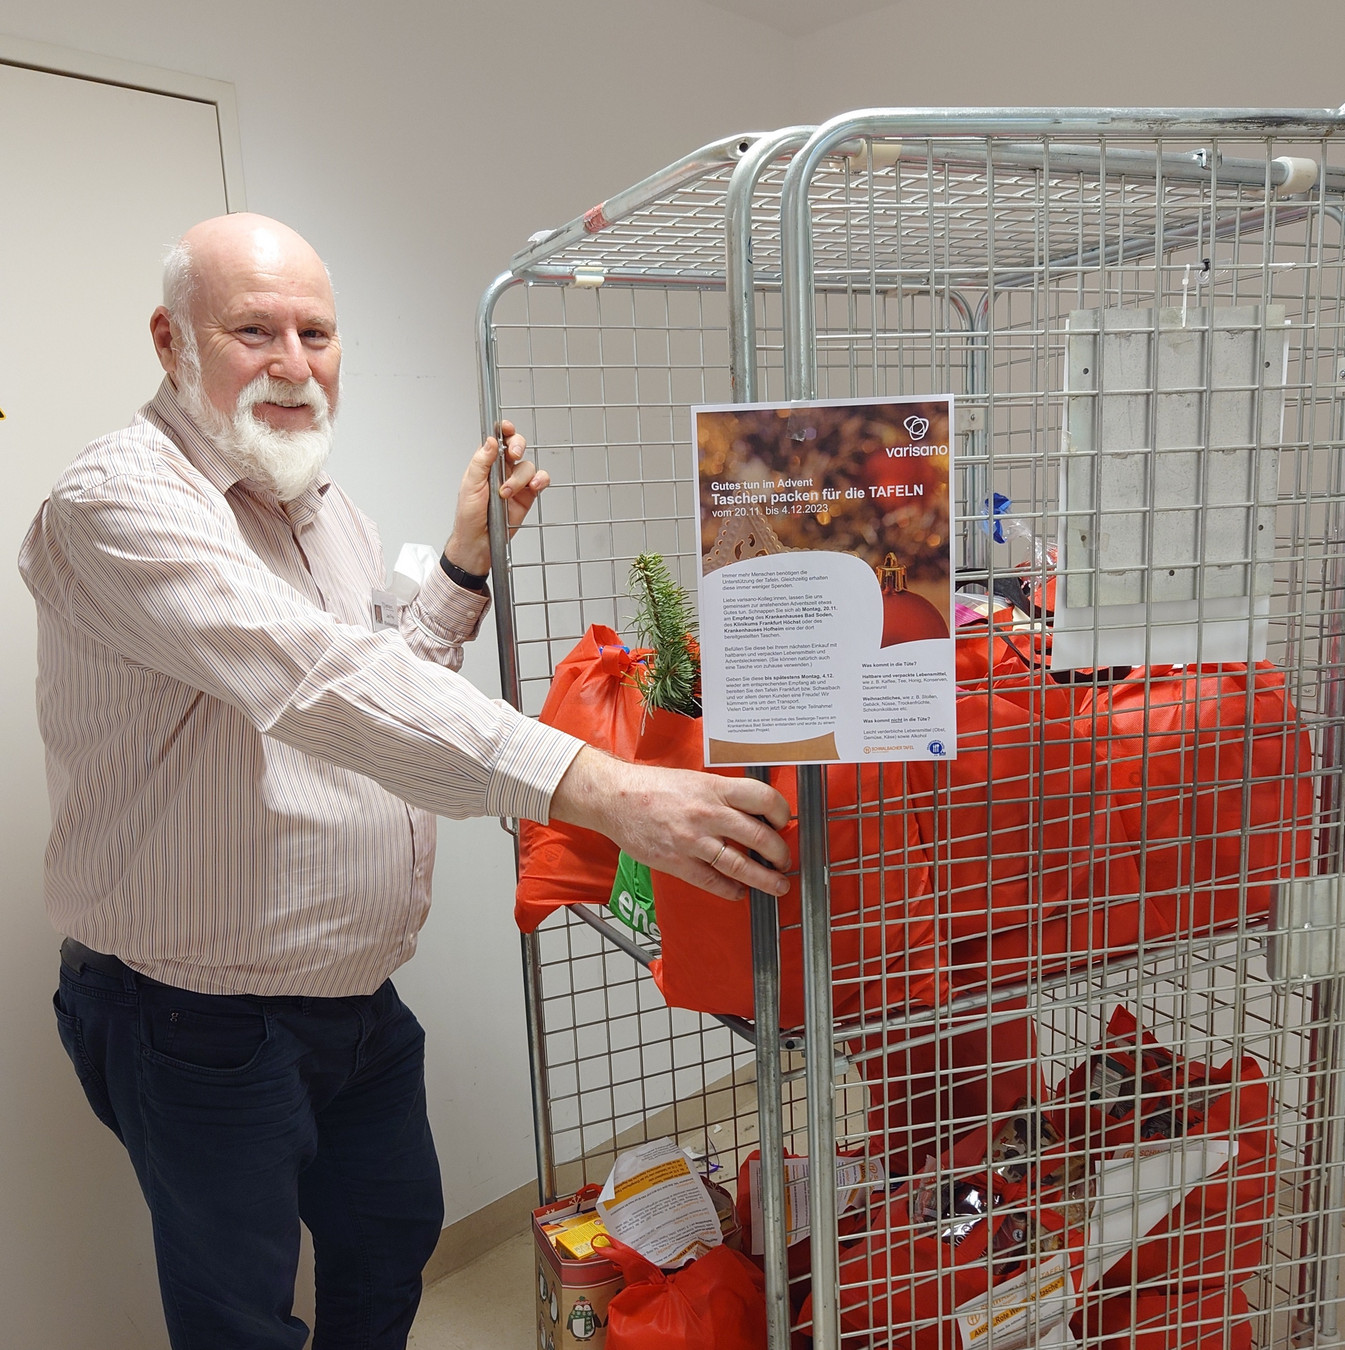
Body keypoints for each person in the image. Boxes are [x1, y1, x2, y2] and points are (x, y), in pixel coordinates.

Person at [18, 212, 791, 1350]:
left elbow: (383, 684)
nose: (294, 364)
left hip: (355, 1001)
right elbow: (321, 685)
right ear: (171, 340)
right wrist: (611, 790)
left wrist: (466, 556)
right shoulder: (118, 507)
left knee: (389, 1248)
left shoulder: (317, 506)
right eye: (254, 330)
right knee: (241, 1313)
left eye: (317, 332)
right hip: (195, 1017)